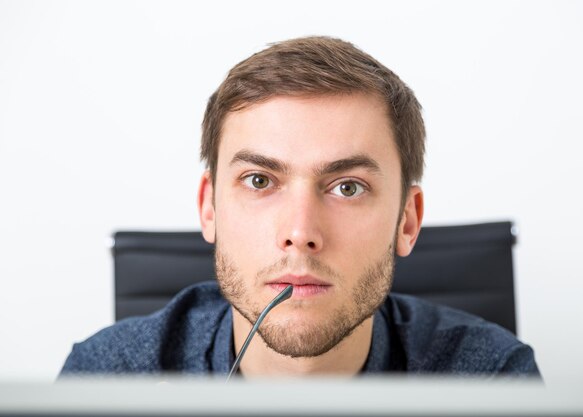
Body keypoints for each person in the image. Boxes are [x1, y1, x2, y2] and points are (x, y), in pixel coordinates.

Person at [61, 36, 540, 377]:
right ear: (209, 208)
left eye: (347, 187)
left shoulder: (489, 380)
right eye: (259, 180)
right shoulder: (110, 379)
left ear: (407, 221)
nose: (300, 231)